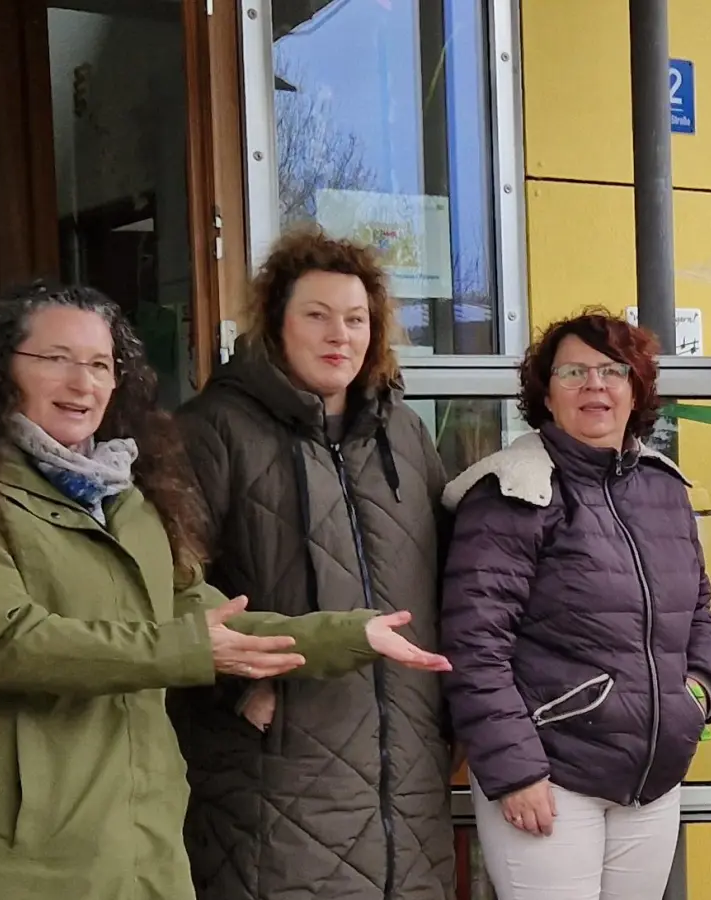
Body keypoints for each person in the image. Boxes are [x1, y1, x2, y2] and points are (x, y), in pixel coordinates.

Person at [0, 281, 449, 900]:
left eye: (100, 365)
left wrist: (349, 634)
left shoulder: (124, 494)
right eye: (55, 359)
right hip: (18, 852)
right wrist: (192, 649)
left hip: (144, 841)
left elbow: (204, 614)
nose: (82, 382)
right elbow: (6, 644)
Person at [169, 227, 456, 900]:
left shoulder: (405, 434)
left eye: (356, 319)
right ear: (276, 322)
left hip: (408, 771)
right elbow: (167, 588)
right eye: (317, 315)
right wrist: (240, 688)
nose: (340, 336)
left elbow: (454, 578)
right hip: (276, 768)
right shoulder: (209, 431)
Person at [438, 309, 711, 900]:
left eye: (611, 371)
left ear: (635, 389)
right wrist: (515, 771)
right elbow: (474, 646)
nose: (594, 386)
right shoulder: (512, 491)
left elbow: (696, 612)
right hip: (550, 776)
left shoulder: (664, 488)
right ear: (546, 394)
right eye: (573, 372)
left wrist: (697, 695)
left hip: (650, 778)